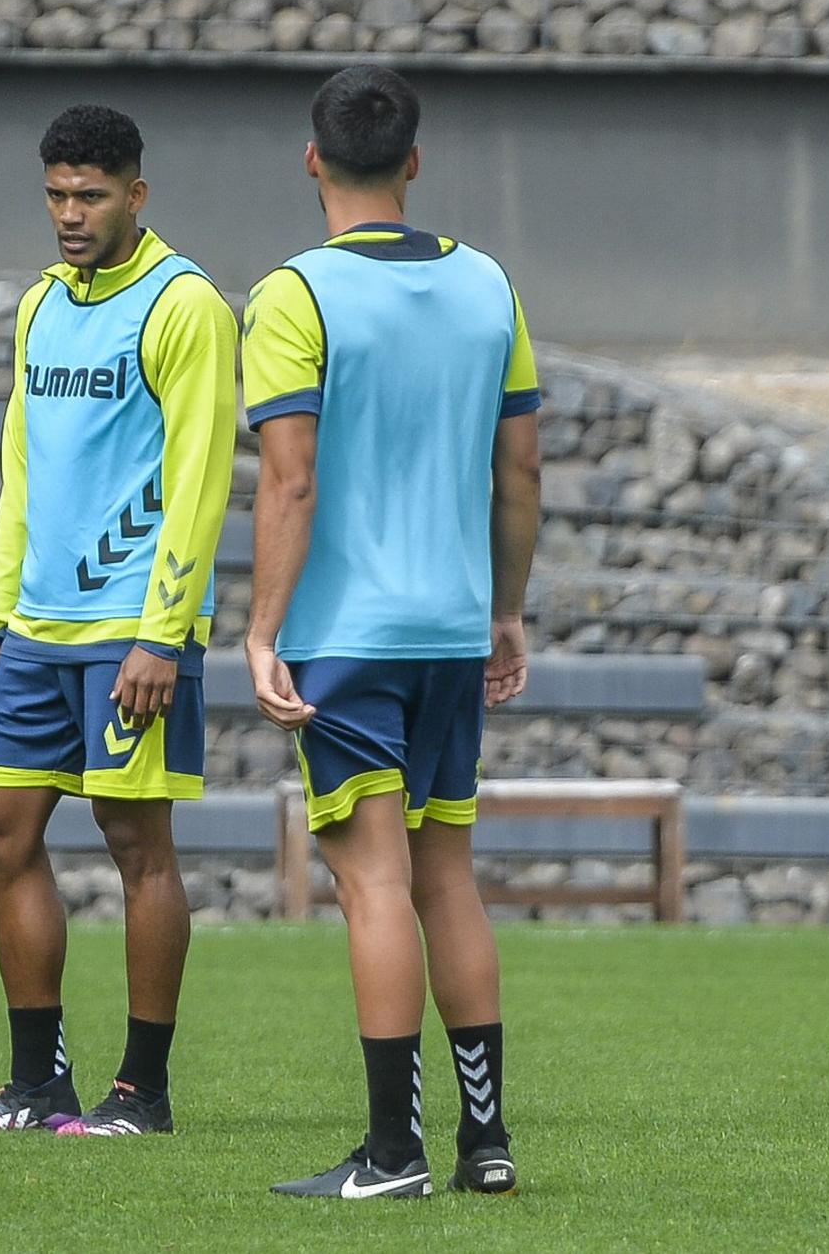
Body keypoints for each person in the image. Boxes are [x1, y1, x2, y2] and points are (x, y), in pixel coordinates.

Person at [243, 66, 540, 1199]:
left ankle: (390, 1153)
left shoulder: (290, 295)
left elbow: (288, 477)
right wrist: (504, 608)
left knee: (371, 885)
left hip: (346, 635)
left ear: (310, 160)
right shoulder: (488, 284)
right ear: (411, 162)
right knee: (445, 880)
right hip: (452, 629)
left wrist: (262, 631)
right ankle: (485, 1139)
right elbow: (518, 466)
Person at [0, 105, 236, 1138]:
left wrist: (163, 629)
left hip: (129, 625)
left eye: (89, 195)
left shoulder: (184, 304)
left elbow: (197, 479)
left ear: (134, 196)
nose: (68, 213)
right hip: (35, 629)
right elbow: (23, 475)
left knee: (133, 840)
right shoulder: (42, 306)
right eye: (56, 193)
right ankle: (33, 1083)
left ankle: (139, 1092)